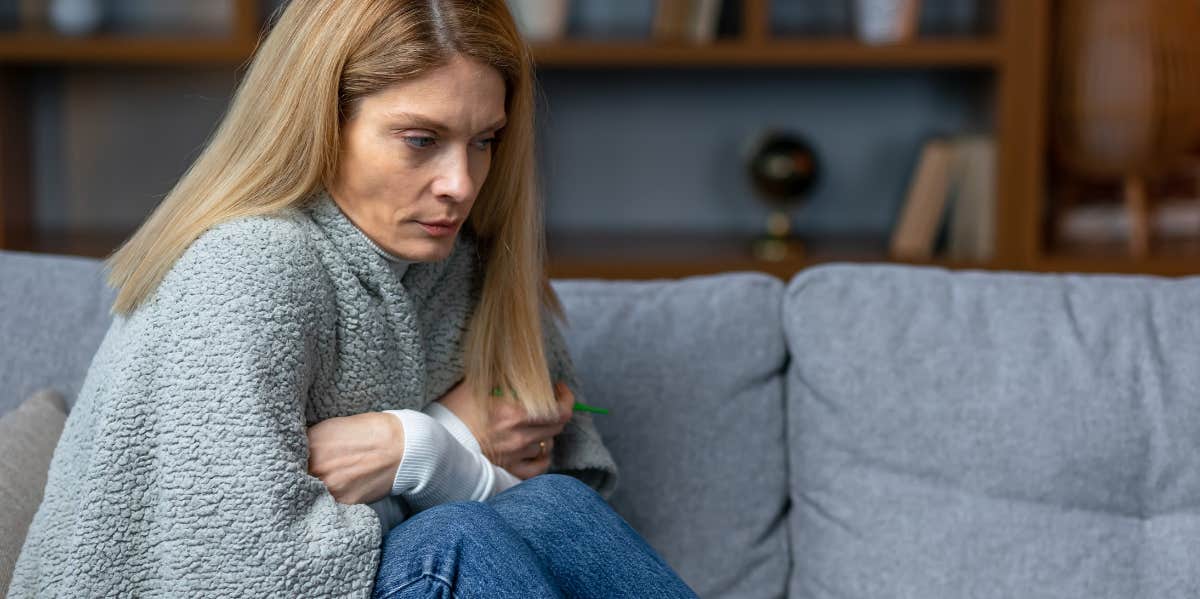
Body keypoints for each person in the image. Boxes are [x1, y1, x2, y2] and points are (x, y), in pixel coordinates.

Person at [6, 1, 698, 597]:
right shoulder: (249, 266)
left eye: (484, 141)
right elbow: (242, 571)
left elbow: (557, 528)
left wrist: (421, 452)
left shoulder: (465, 272)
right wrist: (434, 443)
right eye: (420, 140)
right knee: (454, 541)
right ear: (320, 121)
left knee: (553, 509)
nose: (461, 182)